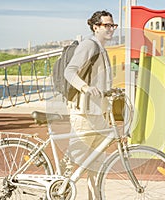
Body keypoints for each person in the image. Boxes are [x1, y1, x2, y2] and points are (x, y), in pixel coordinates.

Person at [64, 10, 117, 199]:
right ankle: (58, 193)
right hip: (84, 114)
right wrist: (85, 87)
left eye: (113, 25)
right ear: (96, 27)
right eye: (107, 25)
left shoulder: (101, 48)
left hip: (97, 114)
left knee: (97, 165)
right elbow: (69, 72)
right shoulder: (89, 45)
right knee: (73, 163)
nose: (111, 28)